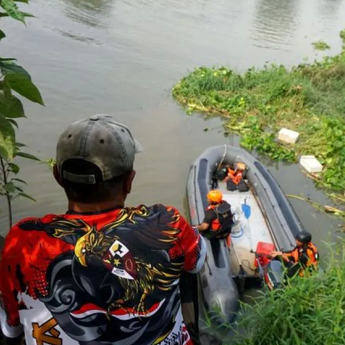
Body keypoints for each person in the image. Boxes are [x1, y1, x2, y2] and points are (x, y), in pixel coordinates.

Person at [0, 115, 206, 345]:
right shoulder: (168, 221)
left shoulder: (23, 240)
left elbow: (11, 328)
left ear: (57, 177)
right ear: (130, 181)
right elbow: (197, 261)